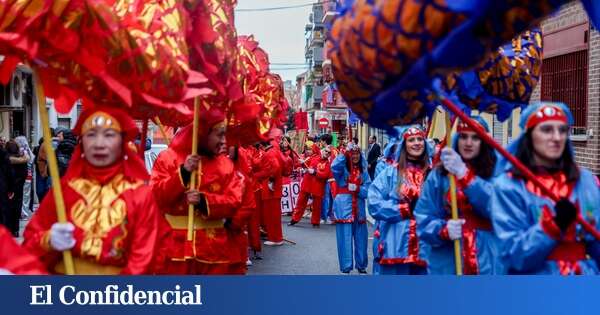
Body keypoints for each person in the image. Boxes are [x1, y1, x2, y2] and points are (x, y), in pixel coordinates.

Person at [23, 107, 163, 274]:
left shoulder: (140, 195)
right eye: (91, 135)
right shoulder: (63, 192)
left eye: (109, 135)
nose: (99, 144)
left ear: (122, 142)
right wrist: (48, 240)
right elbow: (27, 249)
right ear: (81, 142)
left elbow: (145, 257)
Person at [491, 102, 600, 275]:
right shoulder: (509, 186)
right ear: (530, 135)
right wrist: (553, 226)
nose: (557, 137)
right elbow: (513, 255)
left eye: (562, 130)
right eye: (547, 130)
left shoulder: (585, 180)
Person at [150, 108, 244, 274]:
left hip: (213, 249)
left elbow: (234, 201)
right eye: (219, 135)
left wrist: (203, 201)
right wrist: (183, 173)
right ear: (202, 133)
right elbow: (156, 197)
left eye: (225, 135)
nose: (224, 141)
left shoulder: (225, 165)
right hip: (174, 247)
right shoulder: (168, 158)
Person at [415, 116, 504, 274]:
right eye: (463, 136)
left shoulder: (498, 172)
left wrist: (465, 175)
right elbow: (423, 218)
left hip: (488, 260)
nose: (468, 143)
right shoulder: (440, 175)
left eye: (475, 137)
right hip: (447, 261)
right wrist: (442, 230)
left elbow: (500, 209)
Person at [368, 126, 430, 275]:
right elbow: (374, 203)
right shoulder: (391, 173)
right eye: (411, 140)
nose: (416, 143)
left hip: (426, 245)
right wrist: (403, 210)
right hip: (396, 244)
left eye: (420, 139)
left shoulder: (433, 173)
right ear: (404, 144)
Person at [331, 142, 371, 274]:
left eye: (357, 153)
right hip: (344, 208)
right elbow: (334, 166)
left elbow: (369, 190)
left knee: (361, 238)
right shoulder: (342, 170)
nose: (355, 156)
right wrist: (344, 154)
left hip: (359, 208)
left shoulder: (363, 171)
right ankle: (346, 267)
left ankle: (362, 265)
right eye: (352, 153)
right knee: (345, 237)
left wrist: (359, 189)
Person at [253, 139, 287, 246]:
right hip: (274, 187)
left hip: (270, 188)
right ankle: (277, 237)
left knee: (271, 216)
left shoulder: (269, 153)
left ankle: (275, 238)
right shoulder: (275, 151)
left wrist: (270, 180)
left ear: (262, 146)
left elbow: (275, 167)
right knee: (274, 215)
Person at [289, 143, 331, 227]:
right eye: (326, 151)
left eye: (329, 153)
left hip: (318, 185)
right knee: (300, 202)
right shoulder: (313, 157)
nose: (327, 153)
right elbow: (303, 165)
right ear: (322, 150)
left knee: (317, 205)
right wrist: (301, 162)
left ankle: (315, 222)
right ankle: (294, 219)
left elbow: (325, 175)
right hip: (307, 183)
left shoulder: (328, 163)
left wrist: (315, 172)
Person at [6, 140, 27, 237]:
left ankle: (8, 229)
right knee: (17, 207)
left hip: (7, 188)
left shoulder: (5, 160)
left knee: (7, 208)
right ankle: (16, 230)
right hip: (18, 187)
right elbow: (25, 174)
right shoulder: (22, 160)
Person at [14, 136, 34, 219]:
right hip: (28, 175)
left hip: (21, 175)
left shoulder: (21, 151)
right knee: (26, 196)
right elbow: (32, 161)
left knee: (19, 195)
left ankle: (21, 213)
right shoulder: (28, 150)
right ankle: (24, 213)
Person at [0, 144, 14, 232]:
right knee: (2, 210)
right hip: (2, 186)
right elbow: (9, 172)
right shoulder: (3, 154)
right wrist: (11, 188)